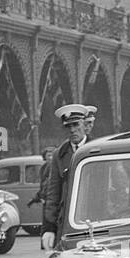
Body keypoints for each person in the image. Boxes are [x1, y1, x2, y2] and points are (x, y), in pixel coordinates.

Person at [40, 104, 90, 249]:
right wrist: (49, 228)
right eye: (68, 127)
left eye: (76, 124)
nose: (72, 130)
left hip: (95, 219)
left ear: (85, 124)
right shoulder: (59, 154)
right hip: (68, 221)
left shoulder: (98, 149)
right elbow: (53, 193)